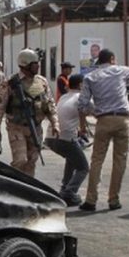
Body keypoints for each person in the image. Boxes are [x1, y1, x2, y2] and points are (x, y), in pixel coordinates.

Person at [77, 49, 129, 211]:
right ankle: (114, 200)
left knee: (97, 160)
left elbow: (82, 104)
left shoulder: (90, 77)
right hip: (123, 119)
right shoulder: (120, 70)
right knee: (120, 160)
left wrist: (97, 111)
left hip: (103, 120)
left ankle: (91, 200)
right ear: (112, 59)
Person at [0, 48, 60, 177]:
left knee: (32, 161)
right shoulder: (10, 83)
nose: (38, 67)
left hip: (36, 128)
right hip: (16, 127)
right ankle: (15, 188)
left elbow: (50, 105)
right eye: (35, 64)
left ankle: (28, 191)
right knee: (20, 161)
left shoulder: (42, 82)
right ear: (25, 65)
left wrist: (55, 123)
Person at [44, 74, 89, 206]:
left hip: (51, 138)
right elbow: (94, 110)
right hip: (65, 138)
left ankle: (64, 188)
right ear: (81, 85)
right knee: (83, 167)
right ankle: (69, 192)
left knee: (71, 158)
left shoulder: (64, 96)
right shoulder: (80, 97)